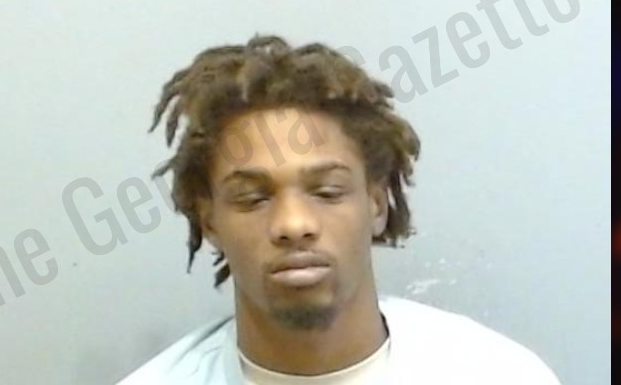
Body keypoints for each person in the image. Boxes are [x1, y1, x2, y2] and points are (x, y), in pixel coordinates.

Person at [119, 35, 561, 384]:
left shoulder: (497, 375)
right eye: (253, 198)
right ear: (209, 221)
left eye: (327, 192)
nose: (294, 224)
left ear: (376, 203)